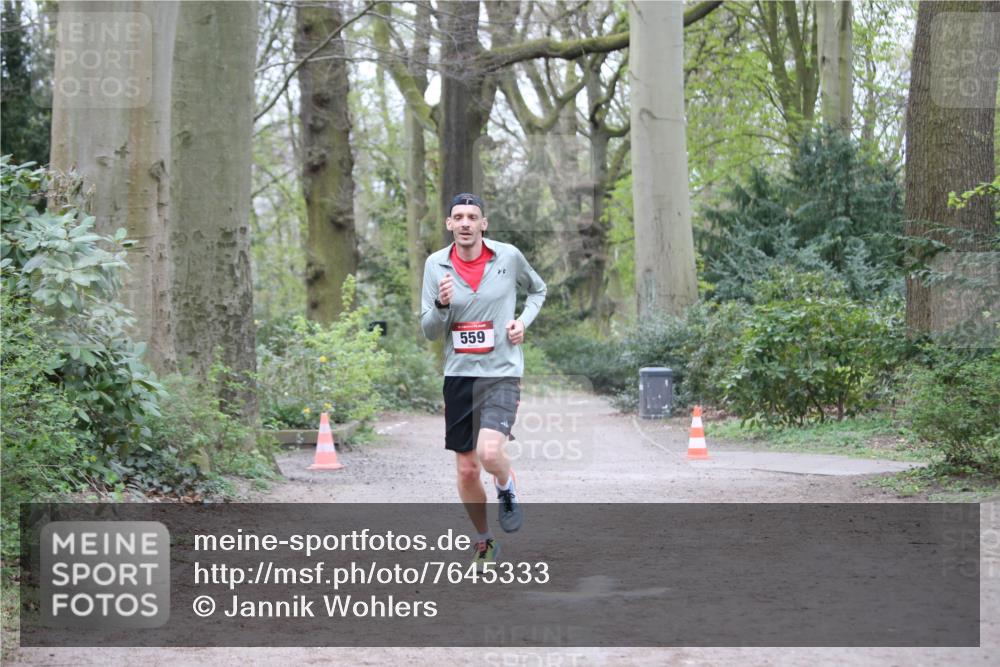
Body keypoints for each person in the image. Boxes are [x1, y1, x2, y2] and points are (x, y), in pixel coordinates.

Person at [421, 193, 546, 570]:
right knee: (467, 469)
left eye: (471, 216)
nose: (464, 223)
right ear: (449, 224)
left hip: (502, 371)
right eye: (457, 216)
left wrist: (522, 322)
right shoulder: (435, 265)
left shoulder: (507, 256)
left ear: (483, 224)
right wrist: (442, 307)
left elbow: (538, 290)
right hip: (459, 375)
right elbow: (429, 331)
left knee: (490, 454)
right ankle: (483, 541)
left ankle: (506, 488)